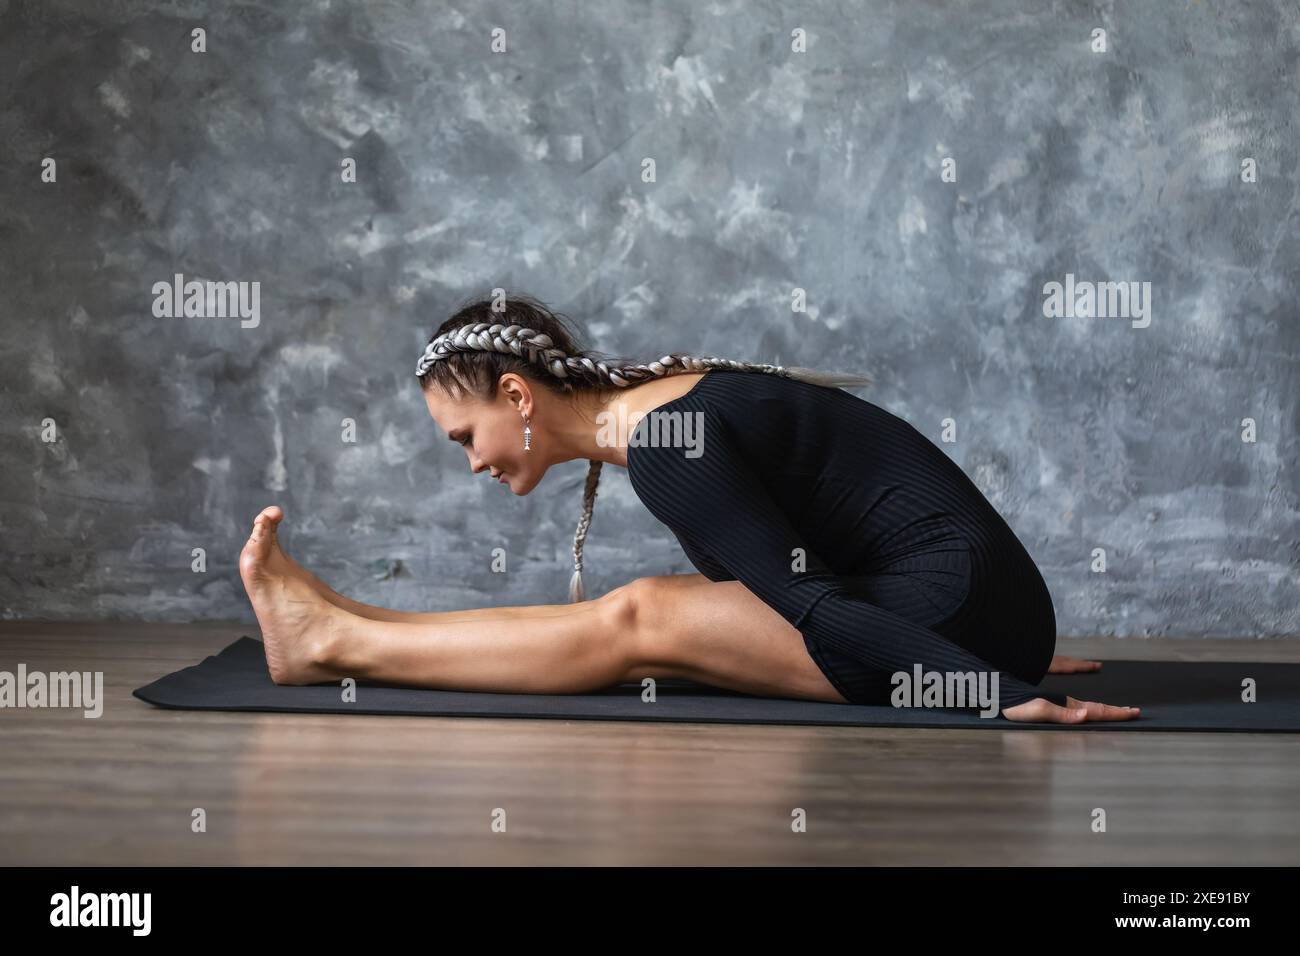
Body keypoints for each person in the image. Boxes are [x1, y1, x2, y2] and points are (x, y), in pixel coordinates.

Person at [239, 294, 1138, 723]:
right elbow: (826, 535)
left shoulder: (667, 446)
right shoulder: (665, 403)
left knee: (644, 617)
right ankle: (344, 620)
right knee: (665, 616)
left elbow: (814, 605)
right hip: (969, 603)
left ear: (516, 395)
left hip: (961, 619)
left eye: (464, 436)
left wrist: (1001, 691)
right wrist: (985, 625)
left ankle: (331, 643)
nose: (472, 463)